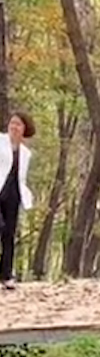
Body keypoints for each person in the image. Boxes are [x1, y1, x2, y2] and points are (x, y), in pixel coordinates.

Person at [1, 111, 35, 289]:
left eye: (18, 125)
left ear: (24, 130)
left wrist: (26, 196)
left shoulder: (26, 153)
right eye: (12, 123)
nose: (14, 127)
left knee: (9, 235)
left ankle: (6, 275)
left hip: (13, 194)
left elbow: (22, 177)